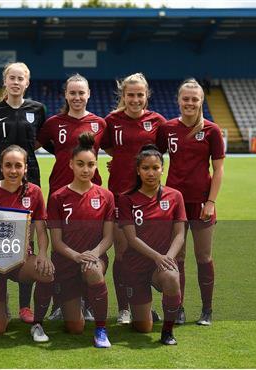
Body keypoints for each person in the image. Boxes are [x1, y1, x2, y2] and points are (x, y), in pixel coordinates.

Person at [0, 62, 47, 323]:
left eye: (21, 78)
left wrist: (21, 163)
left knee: (27, 243)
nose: (16, 82)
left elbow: (42, 140)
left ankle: (25, 306)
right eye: (11, 78)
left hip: (29, 179)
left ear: (27, 82)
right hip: (0, 179)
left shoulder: (37, 110)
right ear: (5, 81)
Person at [37, 73, 106, 321]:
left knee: (88, 244)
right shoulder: (53, 123)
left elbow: (116, 151)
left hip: (90, 196)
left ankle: (87, 302)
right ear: (65, 95)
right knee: (60, 248)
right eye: (72, 93)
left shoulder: (100, 124)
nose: (77, 97)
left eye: (81, 93)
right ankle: (59, 303)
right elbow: (38, 145)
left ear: (88, 94)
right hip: (59, 193)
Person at [156, 78, 225, 325]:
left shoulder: (212, 130)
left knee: (204, 257)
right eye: (185, 98)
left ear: (201, 101)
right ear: (178, 100)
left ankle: (207, 310)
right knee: (178, 258)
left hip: (201, 203)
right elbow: (153, 159)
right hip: (174, 203)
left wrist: (211, 201)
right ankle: (179, 307)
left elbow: (218, 170)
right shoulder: (167, 129)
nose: (190, 103)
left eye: (194, 99)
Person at [100, 73, 166, 325]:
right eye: (131, 95)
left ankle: (146, 306)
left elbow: (160, 153)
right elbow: (107, 147)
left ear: (146, 95)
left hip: (149, 200)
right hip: (120, 196)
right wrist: (120, 161)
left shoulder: (157, 121)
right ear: (123, 96)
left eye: (140, 95)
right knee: (124, 253)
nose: (135, 99)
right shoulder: (112, 121)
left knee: (148, 253)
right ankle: (125, 308)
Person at [0, 145, 54, 341]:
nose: (13, 170)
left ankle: (38, 324)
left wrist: (42, 254)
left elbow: (41, 230)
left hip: (20, 259)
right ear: (1, 167)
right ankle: (2, 306)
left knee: (46, 272)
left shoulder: (34, 193)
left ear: (26, 168)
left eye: (18, 165)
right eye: (8, 165)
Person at [47, 132, 114, 348]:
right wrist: (78, 257)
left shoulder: (106, 196)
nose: (86, 170)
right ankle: (81, 300)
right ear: (71, 165)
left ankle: (101, 330)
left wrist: (93, 254)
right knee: (75, 328)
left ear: (96, 166)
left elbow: (109, 236)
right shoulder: (58, 197)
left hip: (94, 259)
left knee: (93, 270)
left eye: (91, 164)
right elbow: (56, 242)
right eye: (80, 164)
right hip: (67, 262)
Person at [118, 144, 186, 345]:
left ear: (162, 169)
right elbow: (131, 239)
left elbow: (180, 234)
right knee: (143, 328)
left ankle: (167, 331)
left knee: (172, 276)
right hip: (136, 266)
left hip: (162, 264)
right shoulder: (126, 199)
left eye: (155, 168)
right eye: (146, 168)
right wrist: (158, 256)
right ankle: (147, 314)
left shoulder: (175, 196)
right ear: (138, 171)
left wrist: (168, 258)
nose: (151, 173)